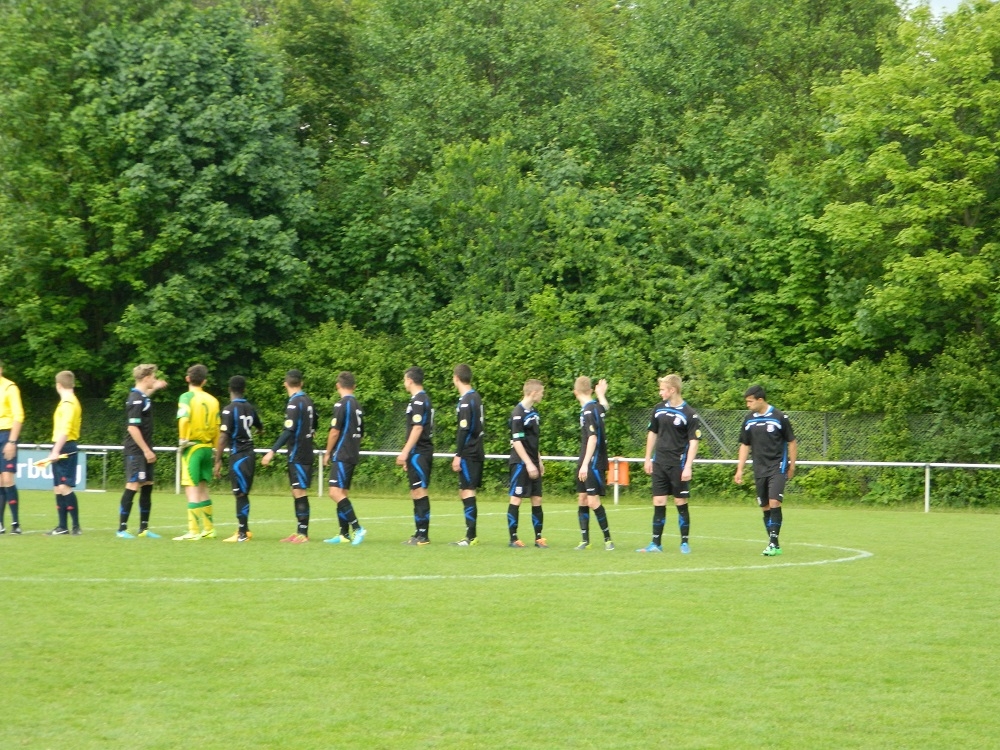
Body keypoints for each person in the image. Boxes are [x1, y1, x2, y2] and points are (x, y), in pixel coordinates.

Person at [639, 374, 701, 554]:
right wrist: (647, 458)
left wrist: (688, 466)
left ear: (672, 390)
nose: (660, 393)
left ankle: (684, 543)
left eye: (662, 389)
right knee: (658, 501)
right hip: (659, 462)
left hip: (678, 465)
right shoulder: (658, 409)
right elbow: (652, 433)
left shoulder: (689, 413)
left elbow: (694, 442)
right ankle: (655, 544)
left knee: (680, 501)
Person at [734, 385, 797, 556]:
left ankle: (772, 544)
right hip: (759, 468)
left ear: (760, 400)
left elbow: (791, 442)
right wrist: (740, 469)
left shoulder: (779, 417)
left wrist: (792, 465)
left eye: (750, 401)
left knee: (774, 501)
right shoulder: (749, 419)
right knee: (765, 506)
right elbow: (744, 445)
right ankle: (774, 544)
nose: (748, 405)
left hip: (777, 466)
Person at [262, 369, 317, 543]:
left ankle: (303, 533)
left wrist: (272, 451)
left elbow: (289, 430)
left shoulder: (294, 402)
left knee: (299, 491)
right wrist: (312, 431)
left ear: (285, 383)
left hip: (298, 452)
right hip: (305, 450)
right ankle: (299, 531)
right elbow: (315, 419)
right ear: (301, 383)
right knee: (296, 490)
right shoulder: (307, 400)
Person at [117, 364, 168, 538]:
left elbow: (145, 397)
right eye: (153, 377)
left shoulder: (142, 397)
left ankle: (143, 529)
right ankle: (121, 529)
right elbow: (132, 428)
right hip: (136, 450)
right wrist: (146, 450)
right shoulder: (135, 399)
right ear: (146, 378)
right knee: (132, 485)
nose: (155, 379)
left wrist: (156, 387)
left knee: (147, 485)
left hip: (145, 449)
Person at [173, 364, 221, 540]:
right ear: (204, 381)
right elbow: (217, 428)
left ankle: (193, 531)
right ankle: (209, 528)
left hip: (193, 447)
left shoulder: (186, 397)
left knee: (191, 489)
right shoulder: (213, 400)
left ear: (187, 378)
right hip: (207, 448)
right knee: (203, 488)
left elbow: (184, 419)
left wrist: (182, 439)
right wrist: (217, 452)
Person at [322, 371, 367, 546]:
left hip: (342, 453)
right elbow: (361, 433)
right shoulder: (358, 405)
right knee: (342, 493)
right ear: (354, 386)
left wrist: (328, 452)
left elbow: (335, 431)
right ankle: (344, 534)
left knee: (334, 492)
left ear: (337, 386)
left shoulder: (342, 404)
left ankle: (357, 528)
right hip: (352, 453)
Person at [215, 375, 261, 543]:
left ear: (230, 389)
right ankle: (244, 529)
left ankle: (242, 533)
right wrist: (259, 431)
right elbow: (259, 426)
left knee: (240, 494)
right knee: (243, 493)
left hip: (238, 455)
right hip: (250, 454)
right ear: (244, 390)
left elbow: (223, 437)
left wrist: (218, 460)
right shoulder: (250, 408)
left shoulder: (229, 409)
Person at [505, 379, 547, 548]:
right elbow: (517, 441)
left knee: (537, 498)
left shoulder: (534, 413)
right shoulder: (517, 413)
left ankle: (538, 538)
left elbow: (533, 441)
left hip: (533, 461)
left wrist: (539, 460)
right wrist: (528, 463)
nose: (542, 395)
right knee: (516, 498)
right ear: (533, 393)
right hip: (520, 463)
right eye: (541, 392)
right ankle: (513, 538)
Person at [573, 376, 614, 551]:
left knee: (592, 500)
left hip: (592, 461)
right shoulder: (595, 406)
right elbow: (605, 407)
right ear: (590, 390)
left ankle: (608, 540)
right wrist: (601, 394)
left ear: (575, 393)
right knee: (582, 498)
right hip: (586, 459)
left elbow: (593, 438)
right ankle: (585, 540)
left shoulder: (588, 411)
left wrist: (585, 464)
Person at [396, 366, 433, 545]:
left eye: (405, 380)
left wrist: (405, 452)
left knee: (420, 491)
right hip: (415, 453)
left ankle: (423, 535)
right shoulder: (418, 400)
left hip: (420, 452)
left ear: (410, 380)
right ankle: (418, 533)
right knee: (415, 492)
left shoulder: (419, 400)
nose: (404, 383)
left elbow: (417, 428)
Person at [44, 371, 83, 535]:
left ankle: (75, 526)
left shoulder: (68, 403)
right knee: (58, 488)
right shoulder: (70, 401)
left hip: (65, 446)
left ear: (58, 385)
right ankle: (62, 526)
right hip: (62, 445)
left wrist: (55, 450)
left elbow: (65, 430)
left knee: (64, 486)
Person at [450, 364, 484, 547]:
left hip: (469, 452)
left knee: (467, 491)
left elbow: (464, 429)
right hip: (476, 450)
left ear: (456, 378)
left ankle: (471, 537)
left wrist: (458, 455)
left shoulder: (466, 400)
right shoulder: (475, 397)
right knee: (464, 491)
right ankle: (470, 534)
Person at [0, 358, 25, 535]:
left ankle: (15, 523)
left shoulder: (10, 388)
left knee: (8, 478)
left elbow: (19, 415)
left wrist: (12, 441)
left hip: (6, 434)